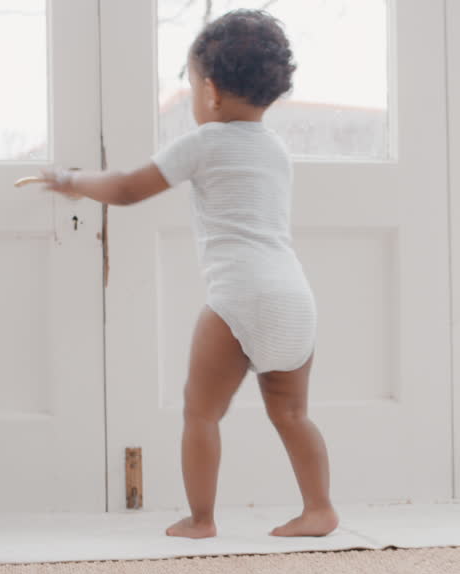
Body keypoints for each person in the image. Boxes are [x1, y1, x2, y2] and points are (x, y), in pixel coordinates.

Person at [36, 10, 336, 539]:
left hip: (238, 298)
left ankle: (201, 519)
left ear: (212, 92)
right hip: (294, 296)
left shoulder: (205, 142)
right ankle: (320, 509)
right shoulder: (277, 150)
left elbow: (129, 189)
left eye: (193, 85)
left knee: (201, 414)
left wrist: (72, 179)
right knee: (293, 415)